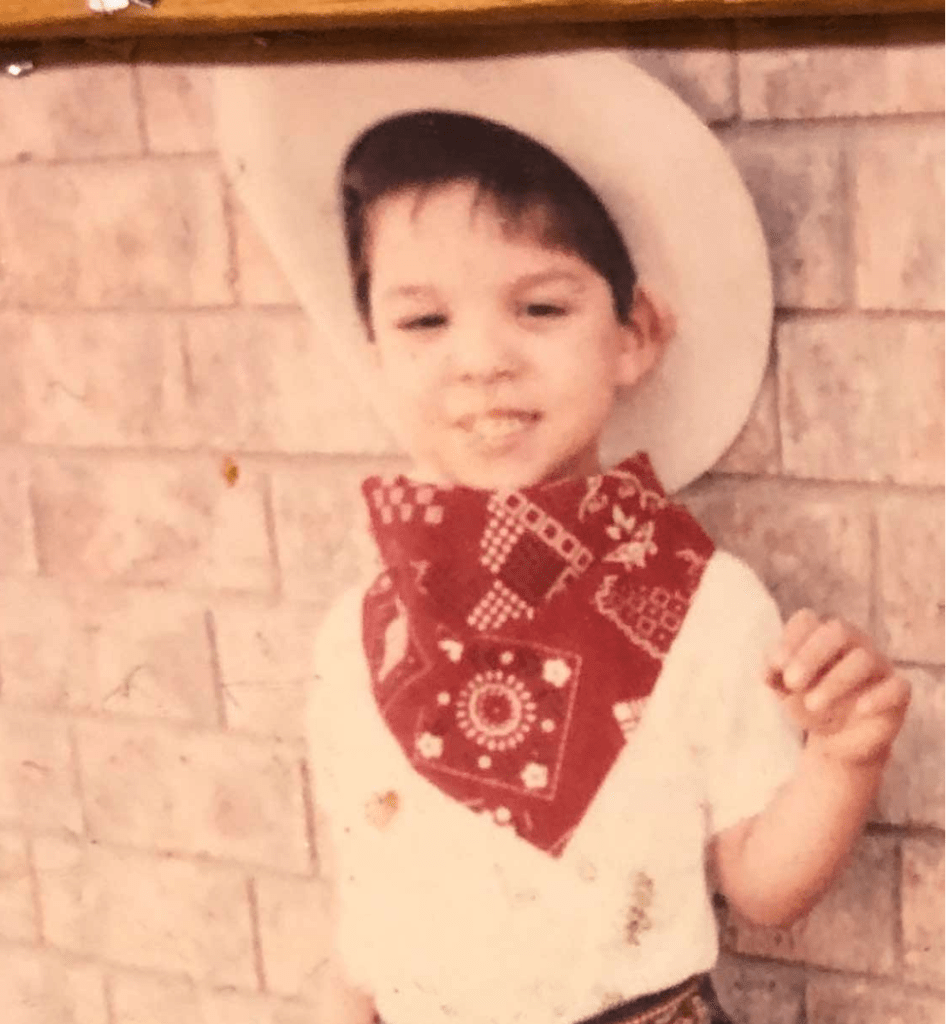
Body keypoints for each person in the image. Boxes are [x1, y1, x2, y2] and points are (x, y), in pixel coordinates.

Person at [215, 53, 912, 1024]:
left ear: (634, 333)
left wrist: (843, 756)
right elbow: (368, 930)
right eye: (423, 320)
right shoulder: (362, 631)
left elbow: (763, 886)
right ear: (372, 352)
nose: (482, 360)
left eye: (540, 308)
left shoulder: (701, 603)